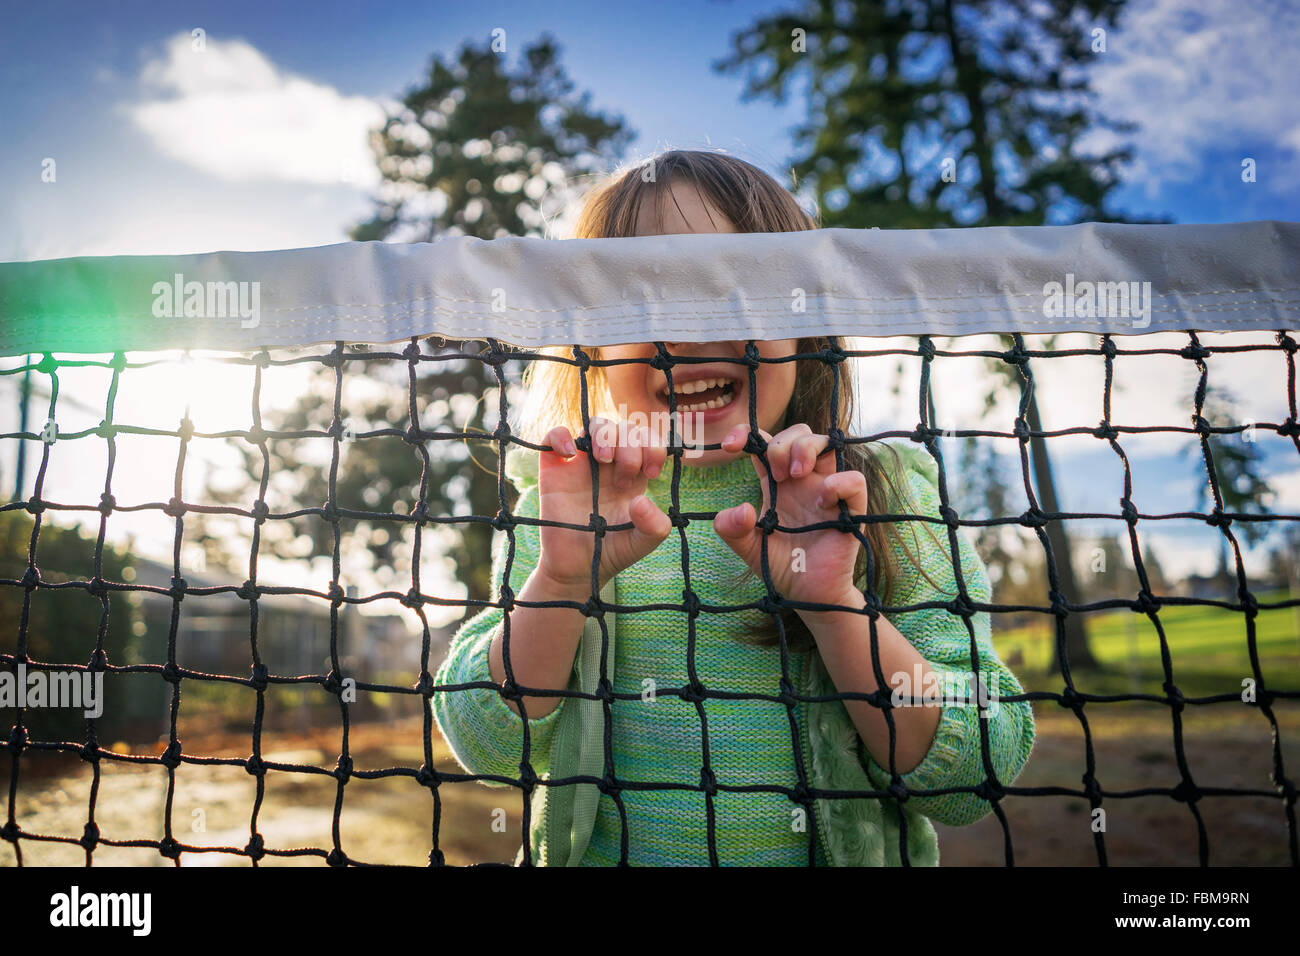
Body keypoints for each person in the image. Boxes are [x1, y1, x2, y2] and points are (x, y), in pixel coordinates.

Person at [433, 149, 1035, 865]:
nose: (688, 331)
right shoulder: (566, 502)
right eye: (645, 294)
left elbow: (976, 770)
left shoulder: (881, 490)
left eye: (733, 285)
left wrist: (835, 604)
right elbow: (489, 744)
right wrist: (561, 584)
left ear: (806, 322)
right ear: (588, 344)